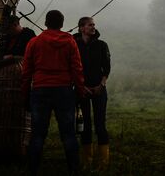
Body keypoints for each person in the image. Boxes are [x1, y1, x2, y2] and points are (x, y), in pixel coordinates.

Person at [21, 10, 86, 175]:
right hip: (64, 90)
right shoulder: (70, 42)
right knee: (68, 134)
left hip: (40, 90)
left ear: (45, 23)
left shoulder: (34, 42)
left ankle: (32, 169)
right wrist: (80, 91)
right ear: (62, 24)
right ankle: (74, 169)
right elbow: (77, 68)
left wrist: (24, 95)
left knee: (38, 135)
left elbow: (26, 71)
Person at [74, 17, 111, 171]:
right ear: (81, 28)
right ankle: (86, 161)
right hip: (81, 90)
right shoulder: (74, 44)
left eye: (94, 25)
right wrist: (81, 86)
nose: (93, 27)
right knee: (84, 125)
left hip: (99, 89)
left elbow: (106, 68)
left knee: (100, 123)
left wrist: (101, 85)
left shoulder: (102, 45)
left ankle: (103, 161)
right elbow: (72, 67)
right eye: (90, 25)